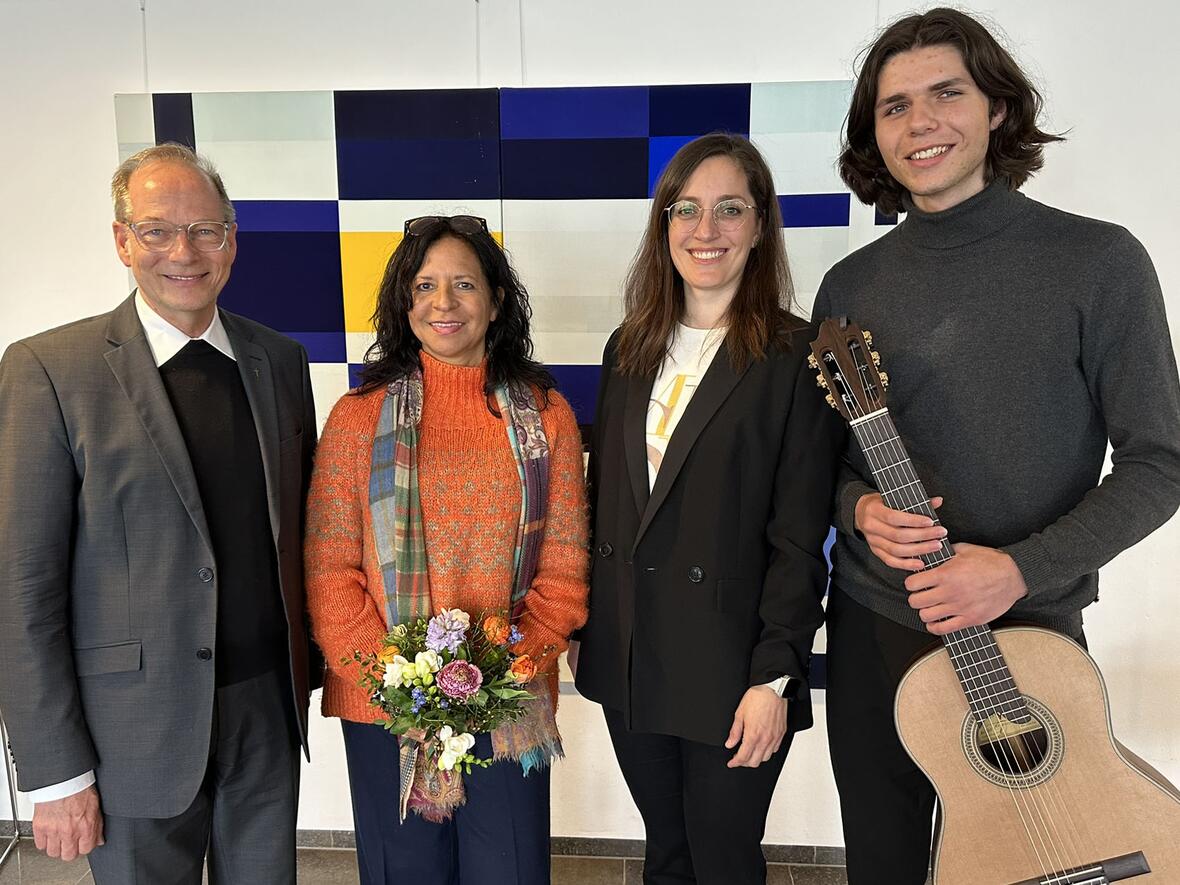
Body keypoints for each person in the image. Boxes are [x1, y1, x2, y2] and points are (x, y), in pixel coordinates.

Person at [812, 9, 1180, 883]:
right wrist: (859, 509)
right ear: (875, 134)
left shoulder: (1098, 261)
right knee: (884, 862)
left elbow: (1162, 462)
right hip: (876, 626)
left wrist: (1020, 568)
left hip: (1032, 631)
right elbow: (821, 463)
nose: (920, 122)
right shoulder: (851, 282)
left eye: (946, 93)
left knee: (1036, 864)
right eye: (894, 107)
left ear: (999, 110)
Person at [0, 143, 320, 883]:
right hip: (128, 736)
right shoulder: (50, 370)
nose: (184, 251)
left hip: (265, 719)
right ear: (122, 240)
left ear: (231, 243)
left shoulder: (279, 361)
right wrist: (54, 772)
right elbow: (23, 588)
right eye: (157, 230)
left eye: (206, 230)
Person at [574, 133, 844, 884]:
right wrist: (586, 625)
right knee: (667, 852)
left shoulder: (795, 355)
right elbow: (611, 508)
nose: (706, 229)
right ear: (663, 226)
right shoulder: (629, 347)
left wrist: (775, 679)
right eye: (686, 209)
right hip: (631, 654)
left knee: (724, 858)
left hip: (734, 667)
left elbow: (800, 537)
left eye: (730, 208)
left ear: (761, 225)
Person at [304, 214, 589, 885]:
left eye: (464, 284)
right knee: (404, 872)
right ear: (404, 304)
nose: (444, 301)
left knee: (510, 870)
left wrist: (507, 671)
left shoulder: (547, 414)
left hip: (510, 695)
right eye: (425, 285)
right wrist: (396, 682)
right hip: (383, 706)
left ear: (495, 301)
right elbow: (328, 566)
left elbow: (567, 565)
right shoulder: (358, 415)